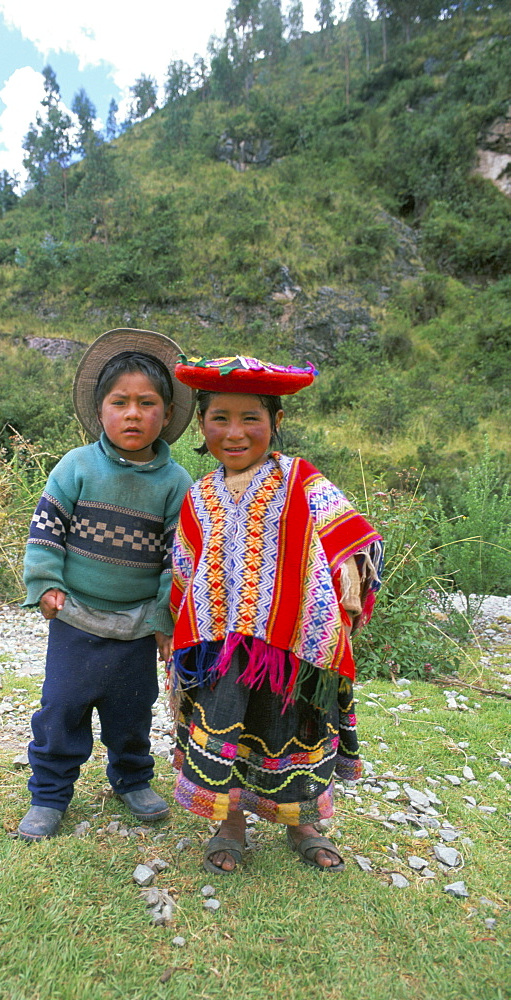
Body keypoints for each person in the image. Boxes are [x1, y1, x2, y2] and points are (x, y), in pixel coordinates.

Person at [168, 355, 383, 875]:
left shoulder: (302, 480)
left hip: (296, 650)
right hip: (223, 649)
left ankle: (302, 823)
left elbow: (351, 538)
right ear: (201, 425)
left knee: (298, 729)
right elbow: (184, 570)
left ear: (276, 423)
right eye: (220, 417)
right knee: (228, 728)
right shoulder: (198, 497)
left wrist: (349, 591)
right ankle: (230, 823)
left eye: (251, 419)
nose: (235, 432)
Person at [17, 328, 195, 841]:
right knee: (62, 705)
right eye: (120, 402)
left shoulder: (174, 483)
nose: (133, 414)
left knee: (133, 709)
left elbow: (176, 559)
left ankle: (133, 779)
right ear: (101, 411)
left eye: (147, 403)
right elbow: (46, 527)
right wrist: (46, 583)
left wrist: (165, 619)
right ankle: (49, 794)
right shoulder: (76, 467)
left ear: (167, 414)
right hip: (76, 617)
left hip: (137, 624)